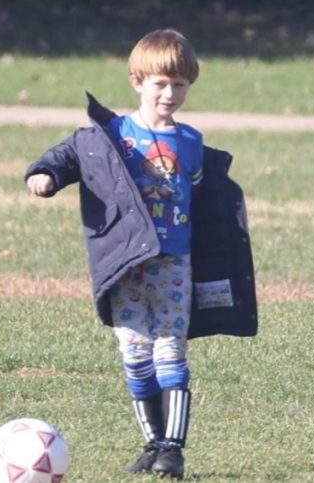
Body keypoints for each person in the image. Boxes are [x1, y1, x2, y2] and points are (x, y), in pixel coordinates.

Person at [25, 29, 205, 479]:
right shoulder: (113, 136)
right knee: (135, 354)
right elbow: (71, 155)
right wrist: (44, 174)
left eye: (179, 84)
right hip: (124, 263)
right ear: (137, 82)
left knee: (169, 350)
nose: (170, 93)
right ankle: (151, 443)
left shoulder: (192, 141)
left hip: (172, 260)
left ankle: (173, 448)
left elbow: (204, 197)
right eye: (160, 83)